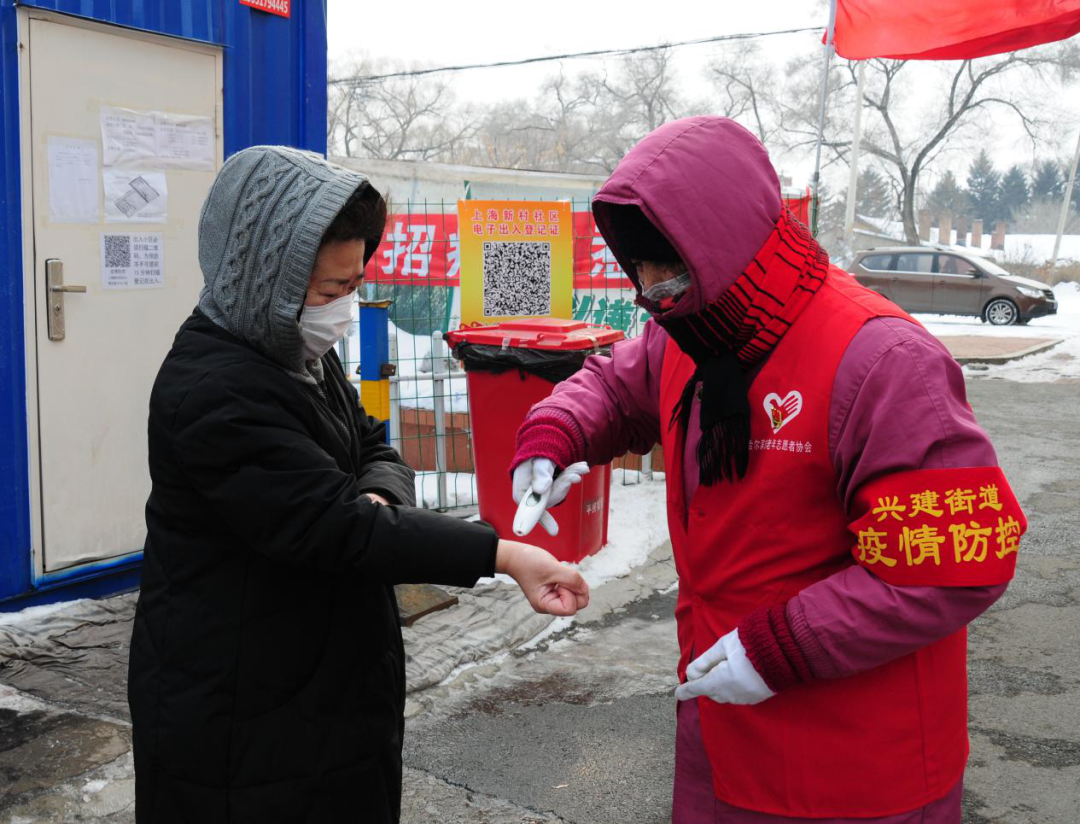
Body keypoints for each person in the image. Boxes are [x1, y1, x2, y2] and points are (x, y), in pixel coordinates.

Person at [510, 117, 1026, 822]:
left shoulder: (881, 361)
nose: (656, 292)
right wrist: (554, 433)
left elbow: (952, 562)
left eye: (672, 266)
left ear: (726, 245)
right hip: (724, 725)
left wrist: (778, 646)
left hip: (859, 761)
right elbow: (612, 384)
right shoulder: (694, 331)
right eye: (643, 271)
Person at [128, 146, 588, 824]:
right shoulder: (215, 389)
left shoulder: (294, 352)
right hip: (239, 707)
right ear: (261, 280)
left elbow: (374, 447)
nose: (344, 309)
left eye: (352, 286)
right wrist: (504, 554)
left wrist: (376, 501)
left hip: (310, 686)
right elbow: (330, 525)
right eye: (326, 292)